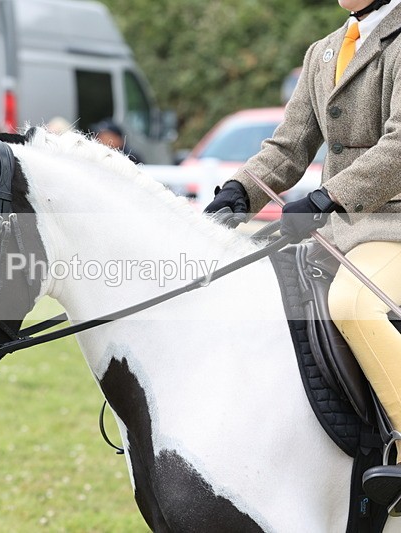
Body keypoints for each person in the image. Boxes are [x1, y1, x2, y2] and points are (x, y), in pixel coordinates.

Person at [203, 0, 401, 480]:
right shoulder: (324, 51)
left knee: (356, 304)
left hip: (392, 228)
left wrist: (329, 197)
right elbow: (289, 145)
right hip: (340, 232)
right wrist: (240, 191)